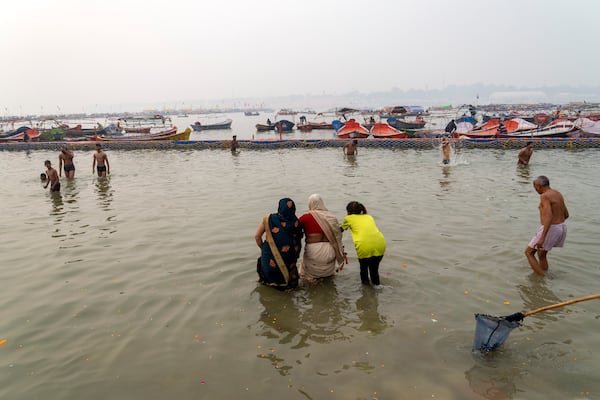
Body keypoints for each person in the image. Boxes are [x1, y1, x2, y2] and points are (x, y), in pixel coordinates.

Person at [255, 198, 303, 290]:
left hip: (269, 259)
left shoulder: (268, 219)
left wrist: (264, 249)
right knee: (289, 286)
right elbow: (297, 242)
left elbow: (257, 236)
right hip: (289, 262)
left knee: (268, 285)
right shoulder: (296, 223)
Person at [525, 176, 569, 276]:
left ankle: (542, 279)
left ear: (539, 186)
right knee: (541, 254)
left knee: (529, 253)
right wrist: (557, 225)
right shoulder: (557, 193)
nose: (535, 190)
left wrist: (543, 237)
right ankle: (543, 274)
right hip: (561, 226)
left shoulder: (545, 196)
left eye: (535, 187)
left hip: (551, 227)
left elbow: (549, 216)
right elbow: (566, 214)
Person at [298, 194, 346, 282]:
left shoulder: (306, 217)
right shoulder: (332, 217)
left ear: (310, 204)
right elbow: (338, 234)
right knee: (328, 279)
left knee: (307, 278)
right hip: (331, 252)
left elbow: (295, 230)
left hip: (314, 253)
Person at [341, 201, 386, 286]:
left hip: (364, 247)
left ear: (348, 212)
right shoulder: (369, 217)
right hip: (380, 244)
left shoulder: (348, 218)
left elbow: (340, 230)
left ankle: (366, 293)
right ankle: (377, 288)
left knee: (364, 270)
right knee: (374, 270)